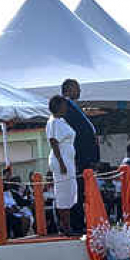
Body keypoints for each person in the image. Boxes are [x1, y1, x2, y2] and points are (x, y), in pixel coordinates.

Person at [61, 79, 99, 232]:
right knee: (77, 190)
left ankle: (82, 221)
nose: (80, 91)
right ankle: (76, 224)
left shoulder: (74, 105)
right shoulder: (66, 105)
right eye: (77, 88)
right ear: (68, 89)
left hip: (85, 156)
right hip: (78, 156)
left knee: (83, 191)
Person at [46, 95, 78, 236]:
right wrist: (61, 163)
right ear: (58, 106)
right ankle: (65, 226)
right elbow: (54, 142)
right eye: (64, 104)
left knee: (70, 191)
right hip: (61, 161)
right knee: (63, 193)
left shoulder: (61, 121)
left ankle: (68, 224)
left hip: (67, 160)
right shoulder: (53, 122)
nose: (66, 107)